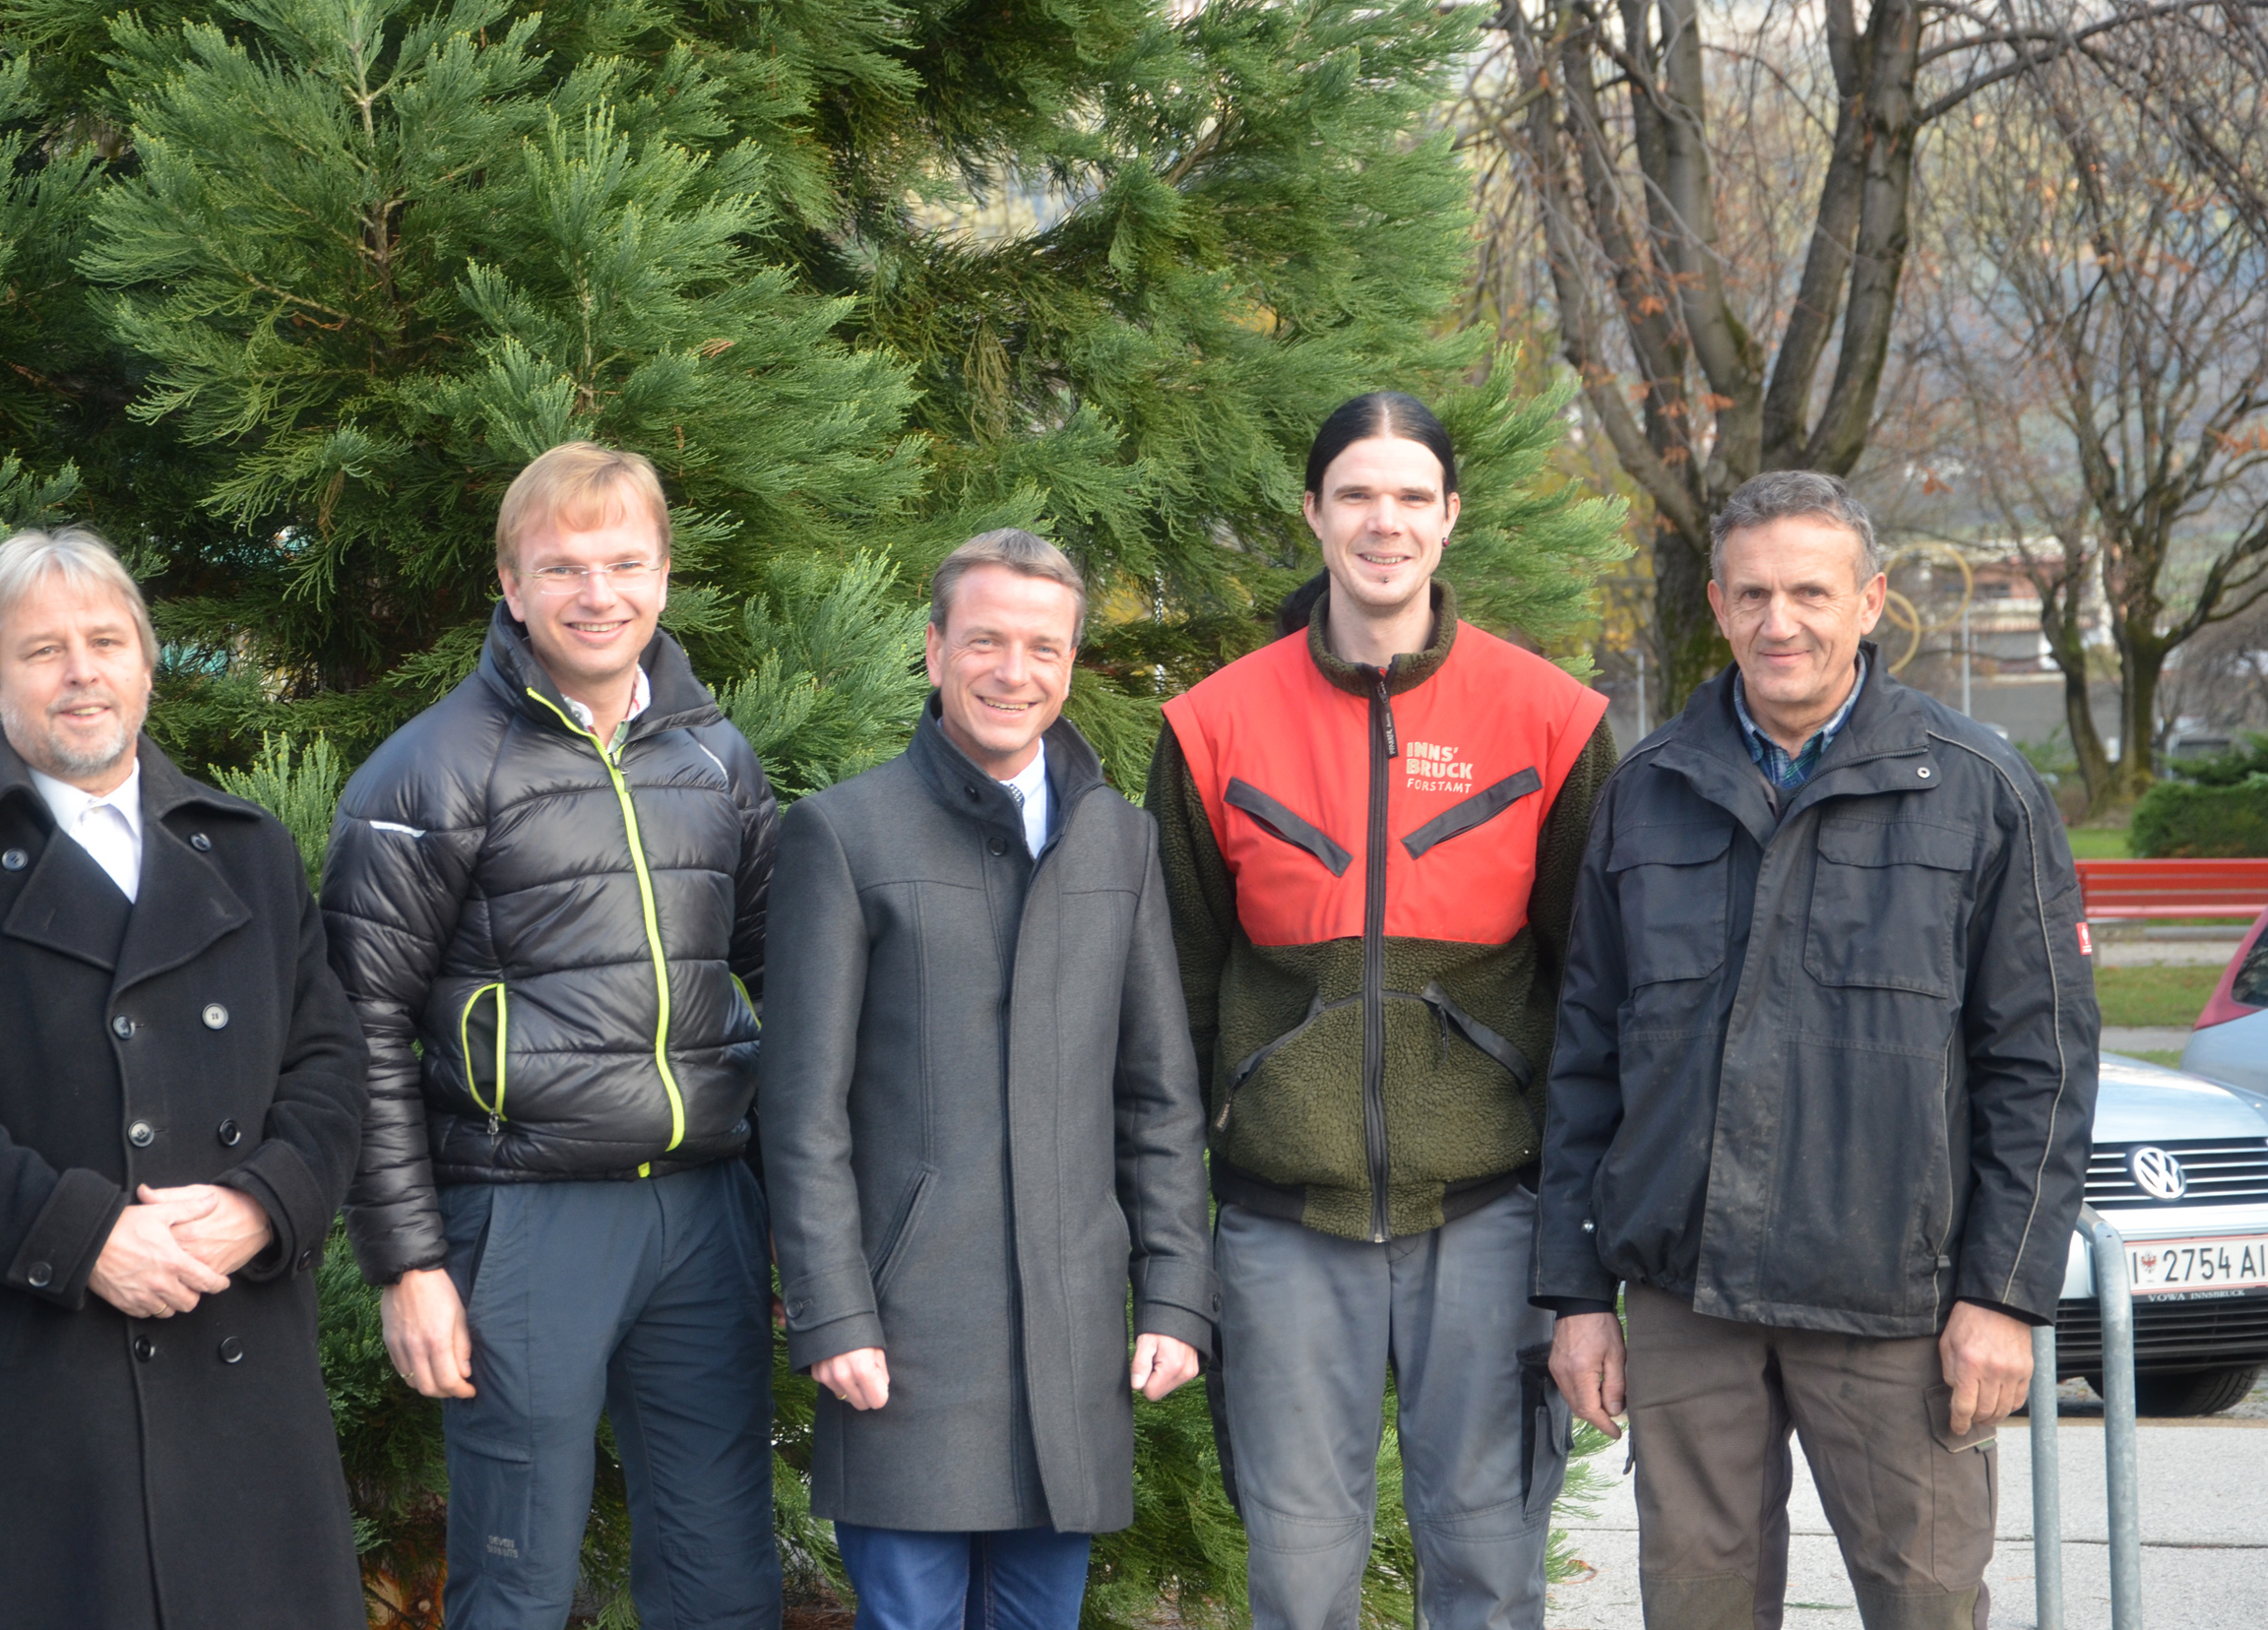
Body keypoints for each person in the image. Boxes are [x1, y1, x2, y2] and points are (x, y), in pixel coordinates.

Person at [1537, 470, 2102, 1630]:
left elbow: (2040, 1068)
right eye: (1750, 594)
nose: (1777, 621)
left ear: (1871, 600)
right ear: (1715, 602)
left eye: (1808, 591)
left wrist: (2002, 1296)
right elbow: (1584, 1055)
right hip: (1687, 1293)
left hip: (1896, 1298)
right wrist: (1576, 1292)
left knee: (1926, 1607)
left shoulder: (1980, 789)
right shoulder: (1646, 794)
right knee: (1694, 1611)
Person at [0, 528, 369, 1629]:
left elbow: (329, 1063)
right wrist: (84, 1239)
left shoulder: (249, 848)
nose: (82, 670)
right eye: (43, 650)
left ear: (147, 664)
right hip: (37, 1372)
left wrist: (261, 1205)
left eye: (106, 641)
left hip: (237, 1354)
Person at [1145, 392, 1615, 1630]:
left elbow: (1596, 1001)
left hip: (1490, 1217)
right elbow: (1178, 995)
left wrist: (1580, 1252)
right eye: (1357, 493)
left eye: (1412, 496)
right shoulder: (1208, 726)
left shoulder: (1554, 722)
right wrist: (1170, 1239)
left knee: (1488, 1566)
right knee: (1297, 1580)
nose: (1384, 521)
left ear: (1451, 518)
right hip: (1281, 1222)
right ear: (1312, 513)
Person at [319, 443, 781, 1629]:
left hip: (706, 1213)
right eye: (561, 566)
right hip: (522, 1218)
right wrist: (407, 1266)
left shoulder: (715, 759)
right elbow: (358, 1033)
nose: (597, 593)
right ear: (511, 587)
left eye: (624, 562)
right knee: (518, 1574)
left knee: (722, 1569)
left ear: (665, 579)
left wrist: (800, 1224)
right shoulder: (426, 772)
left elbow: (789, 984)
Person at [759, 529, 1217, 1630]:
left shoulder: (1121, 842)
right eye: (987, 641)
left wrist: (1174, 1296)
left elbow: (1157, 1098)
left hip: (1072, 1343)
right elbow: (801, 1110)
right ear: (933, 650)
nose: (1015, 672)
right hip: (906, 1339)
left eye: (1044, 648)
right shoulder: (843, 833)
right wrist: (832, 1312)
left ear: (1070, 664)